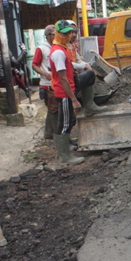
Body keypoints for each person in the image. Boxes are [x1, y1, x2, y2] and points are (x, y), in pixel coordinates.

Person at [49, 20, 85, 165]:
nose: (69, 35)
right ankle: (65, 156)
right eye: (65, 33)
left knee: (67, 121)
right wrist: (73, 99)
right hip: (63, 93)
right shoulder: (58, 52)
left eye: (70, 32)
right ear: (57, 34)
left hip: (65, 92)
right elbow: (62, 78)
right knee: (63, 124)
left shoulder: (62, 49)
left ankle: (66, 153)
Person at [65, 20, 102, 117]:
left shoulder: (71, 46)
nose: (73, 35)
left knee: (88, 72)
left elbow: (77, 60)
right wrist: (84, 66)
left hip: (72, 76)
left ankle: (89, 102)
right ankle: (89, 106)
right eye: (71, 32)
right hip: (66, 80)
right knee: (89, 74)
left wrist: (86, 64)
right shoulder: (62, 47)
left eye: (75, 32)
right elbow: (67, 64)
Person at [32, 25, 58, 140]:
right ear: (48, 35)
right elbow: (34, 65)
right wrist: (44, 73)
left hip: (55, 82)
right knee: (53, 109)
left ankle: (48, 133)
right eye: (54, 34)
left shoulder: (56, 46)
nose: (56, 36)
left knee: (52, 108)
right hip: (47, 84)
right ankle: (58, 136)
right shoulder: (41, 48)